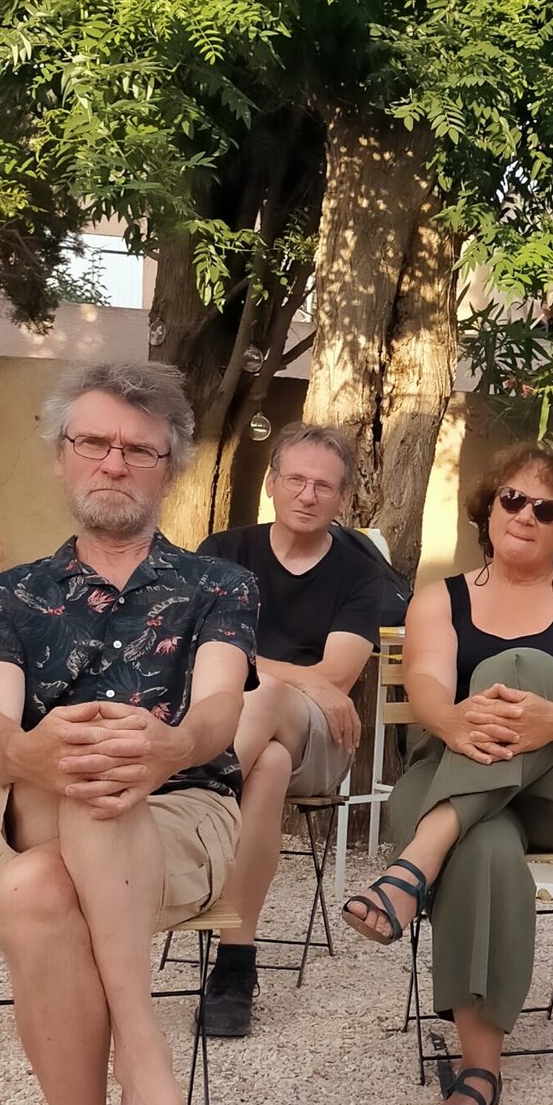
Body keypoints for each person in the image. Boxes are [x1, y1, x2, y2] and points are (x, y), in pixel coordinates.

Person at [0, 360, 256, 1105]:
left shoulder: (218, 586)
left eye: (140, 449)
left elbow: (217, 712)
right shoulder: (7, 595)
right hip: (33, 807)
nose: (115, 462)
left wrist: (167, 744)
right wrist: (31, 752)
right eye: (94, 441)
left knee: (43, 879)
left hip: (180, 817)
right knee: (82, 765)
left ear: (170, 468)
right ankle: (148, 1076)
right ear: (62, 456)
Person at [342, 444, 553, 1105]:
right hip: (459, 770)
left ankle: (418, 860)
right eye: (512, 499)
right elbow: (428, 685)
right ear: (489, 508)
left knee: (524, 665)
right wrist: (453, 725)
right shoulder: (440, 598)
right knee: (488, 843)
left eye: (546, 509)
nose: (525, 515)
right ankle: (480, 1071)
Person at [196, 426, 384, 1036]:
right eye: (296, 480)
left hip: (321, 740)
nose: (308, 494)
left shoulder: (360, 573)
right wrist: (299, 676)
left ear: (342, 498)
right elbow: (197, 648)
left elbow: (336, 679)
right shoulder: (224, 551)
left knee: (269, 697)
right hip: (241, 734)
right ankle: (235, 963)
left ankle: (188, 803)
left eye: (323, 486)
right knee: (269, 763)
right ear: (272, 484)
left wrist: (268, 674)